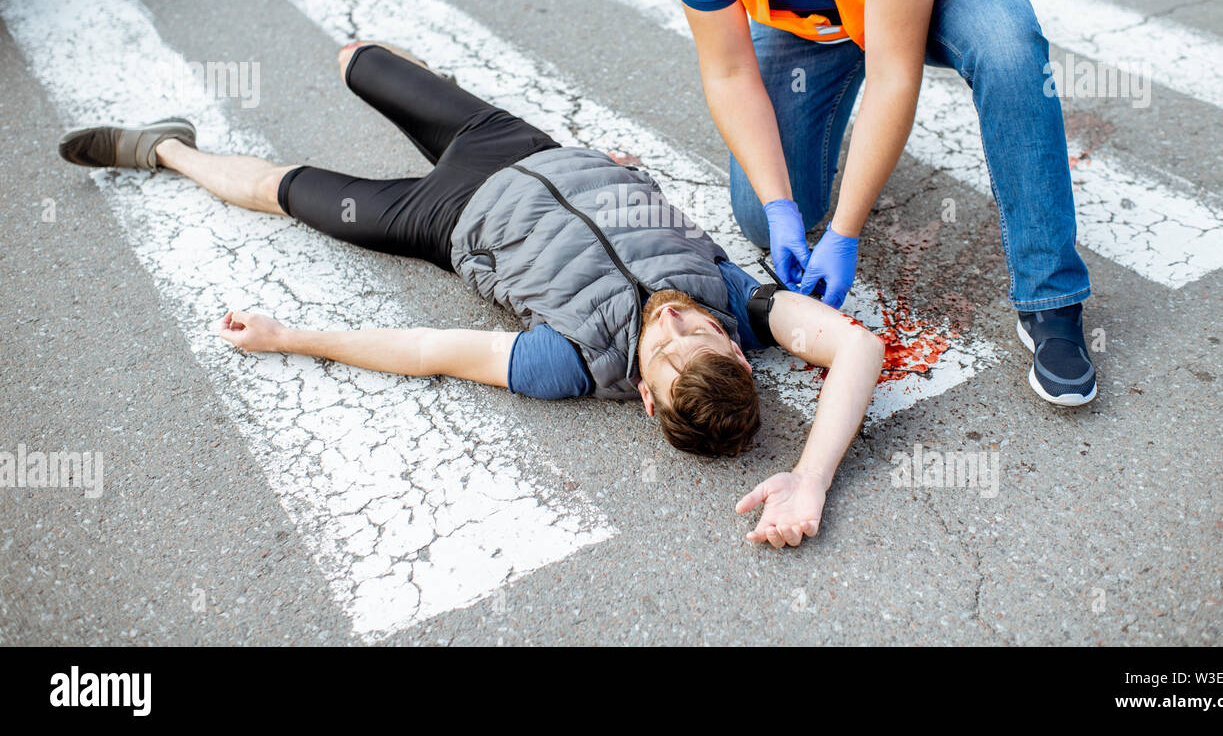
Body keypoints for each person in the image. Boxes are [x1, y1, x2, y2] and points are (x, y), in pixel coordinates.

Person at [57, 41, 885, 549]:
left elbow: (428, 353)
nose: (669, 321)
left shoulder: (570, 362)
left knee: (287, 190)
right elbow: (856, 344)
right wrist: (810, 476)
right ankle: (401, 78)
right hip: (519, 145)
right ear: (736, 345)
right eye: (692, 331)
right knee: (358, 59)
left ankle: (165, 150)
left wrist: (289, 335)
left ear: (642, 395)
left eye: (663, 352)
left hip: (450, 215)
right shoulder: (741, 300)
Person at [666, 0, 1096, 406]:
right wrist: (786, 210)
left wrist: (845, 232)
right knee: (762, 214)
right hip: (812, 26)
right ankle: (821, 165)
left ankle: (1051, 299)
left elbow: (895, 68)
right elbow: (728, 72)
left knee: (1009, 50)